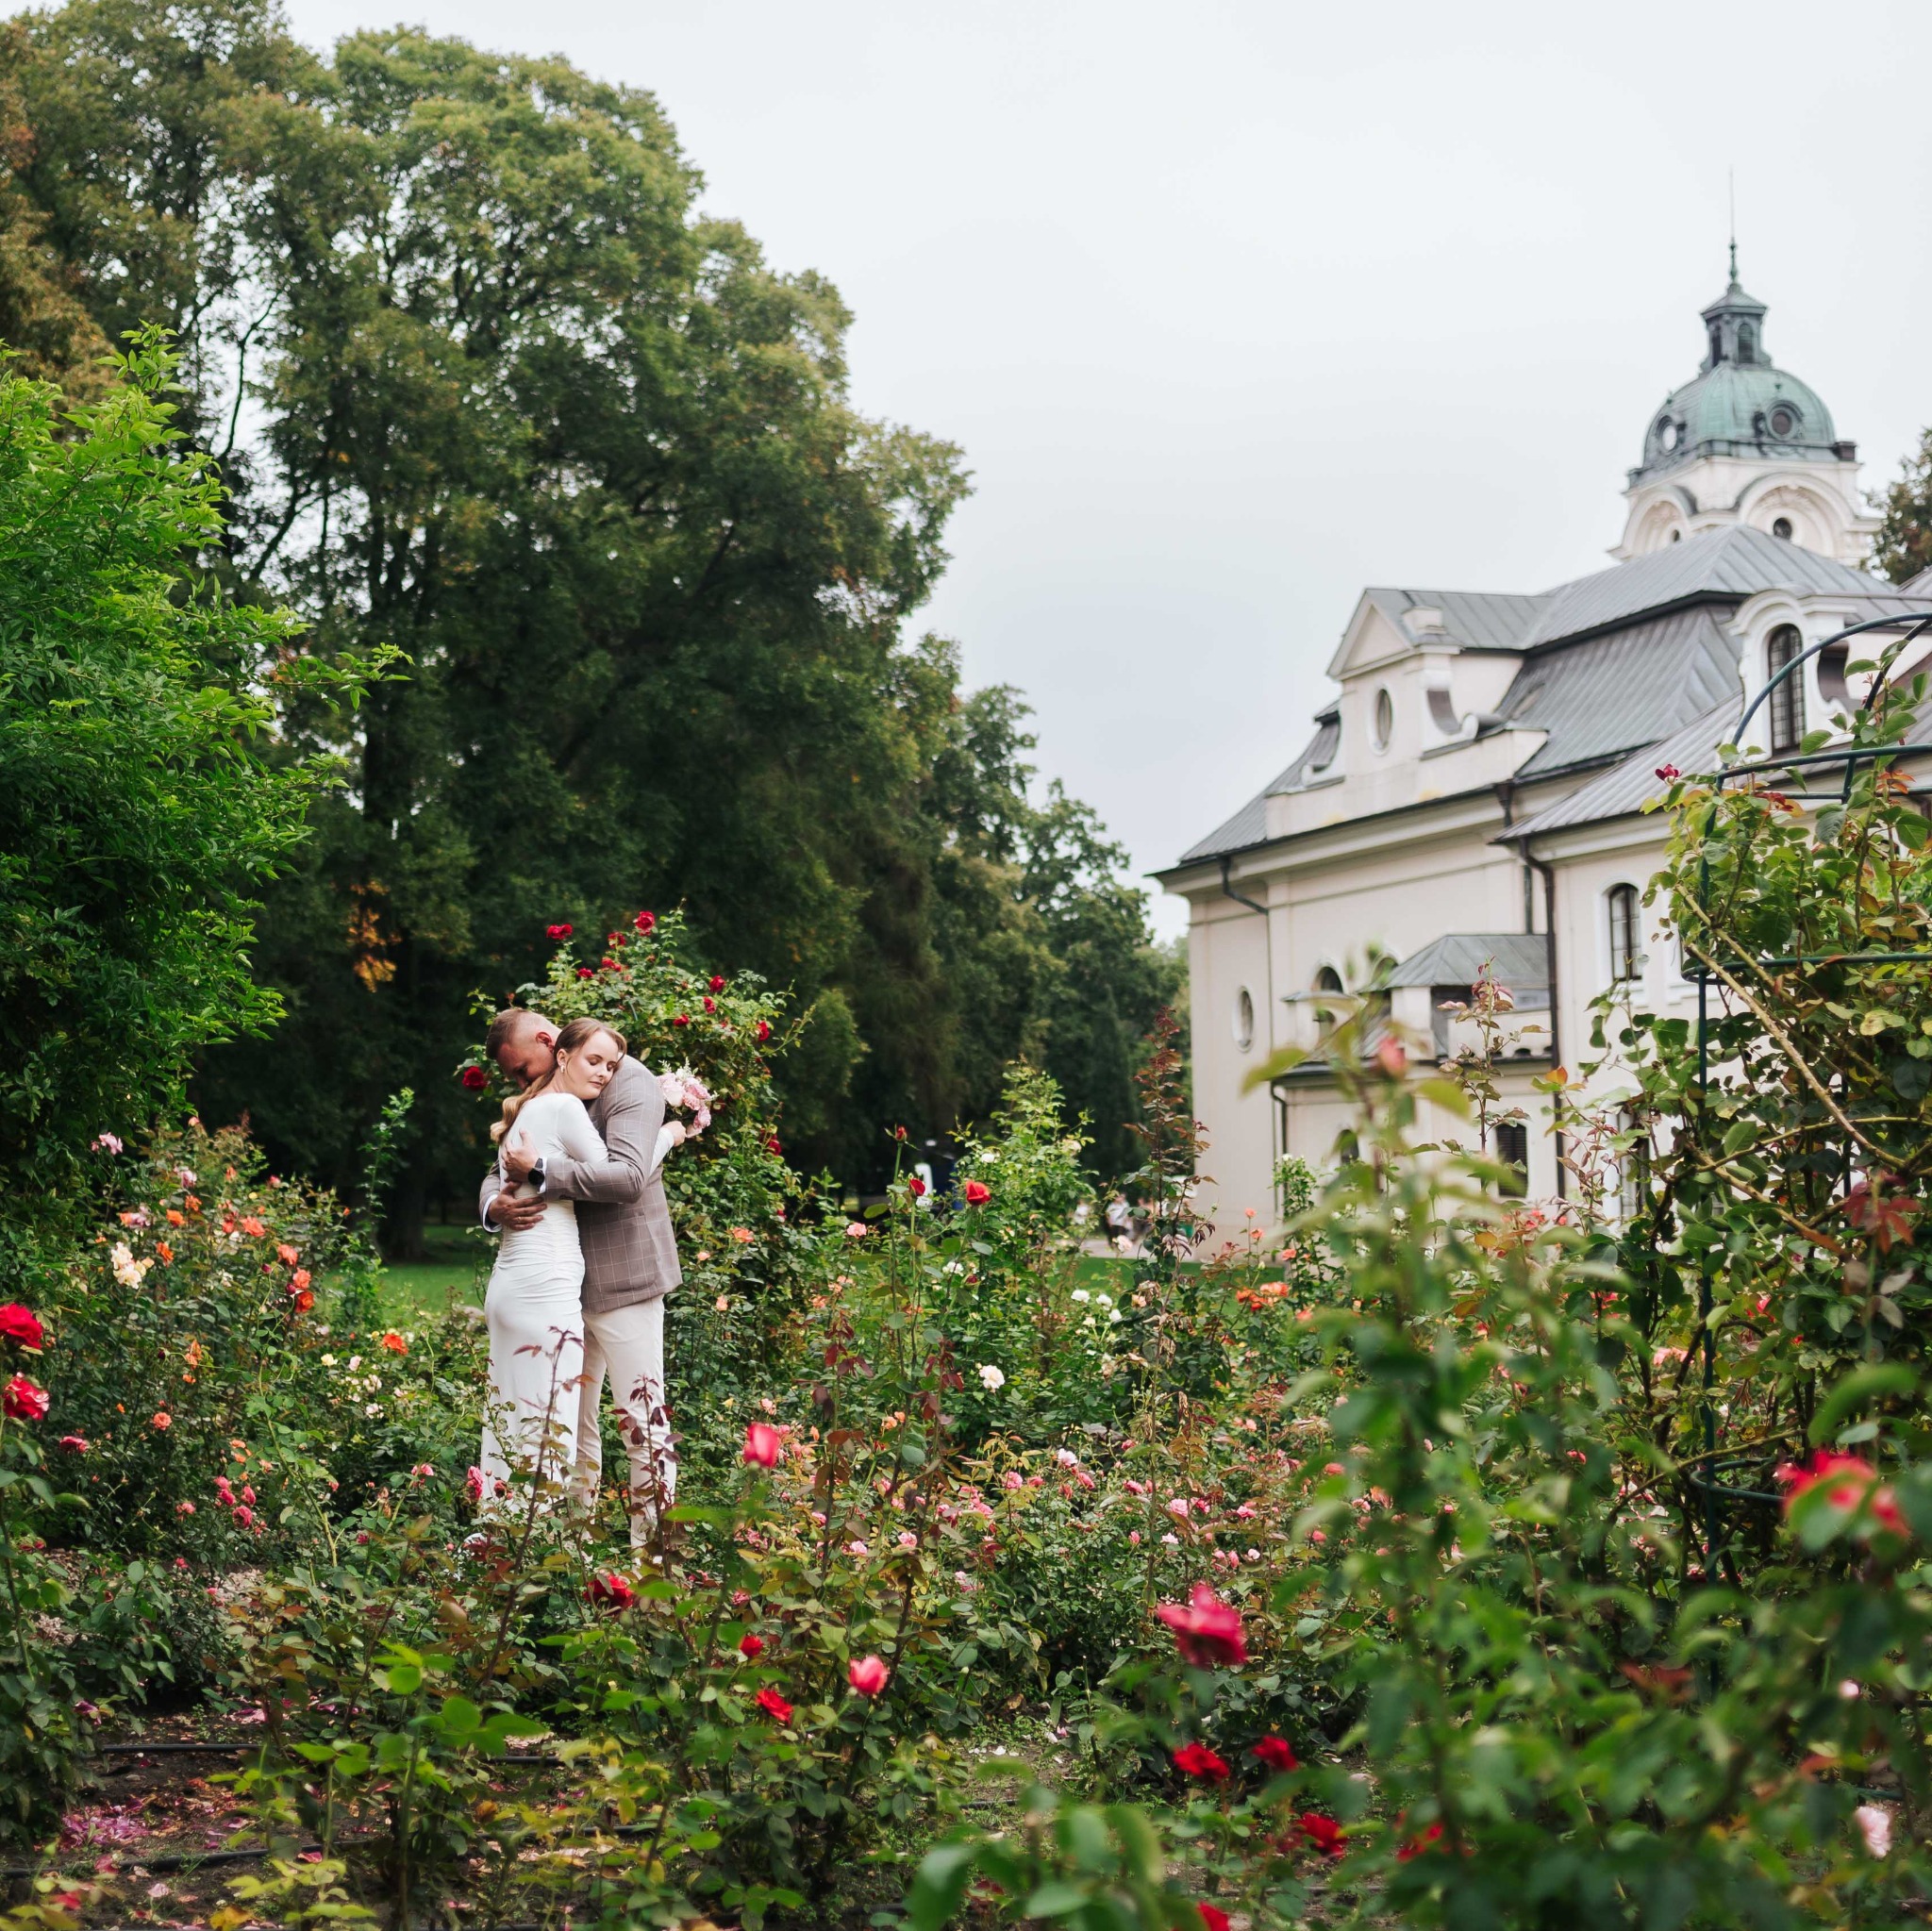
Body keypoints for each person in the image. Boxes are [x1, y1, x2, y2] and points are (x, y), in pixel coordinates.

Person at [480, 1008, 684, 1546]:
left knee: (641, 1418)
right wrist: (494, 1206)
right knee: (572, 1425)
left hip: (623, 1278)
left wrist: (541, 1173)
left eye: (521, 1069)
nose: (521, 1082)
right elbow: (499, 1165)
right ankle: (573, 1553)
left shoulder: (630, 1081)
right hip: (558, 1286)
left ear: (549, 1043)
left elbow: (631, 1176)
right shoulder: (549, 1091)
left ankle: (651, 1560)